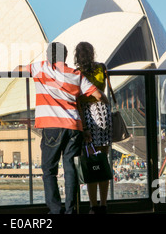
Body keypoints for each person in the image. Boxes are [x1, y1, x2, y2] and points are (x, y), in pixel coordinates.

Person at [14, 42, 108, 214]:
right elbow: (98, 95)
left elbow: (17, 70)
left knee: (49, 170)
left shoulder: (40, 67)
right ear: (65, 56)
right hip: (74, 126)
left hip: (51, 126)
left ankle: (56, 210)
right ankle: (70, 209)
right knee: (70, 166)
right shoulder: (75, 75)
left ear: (48, 56)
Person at [74, 41, 112, 214]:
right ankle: (104, 204)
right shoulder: (102, 68)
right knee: (103, 162)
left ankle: (93, 206)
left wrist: (84, 128)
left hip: (88, 117)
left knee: (91, 164)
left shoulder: (77, 74)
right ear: (92, 53)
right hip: (103, 114)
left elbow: (78, 102)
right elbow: (103, 94)